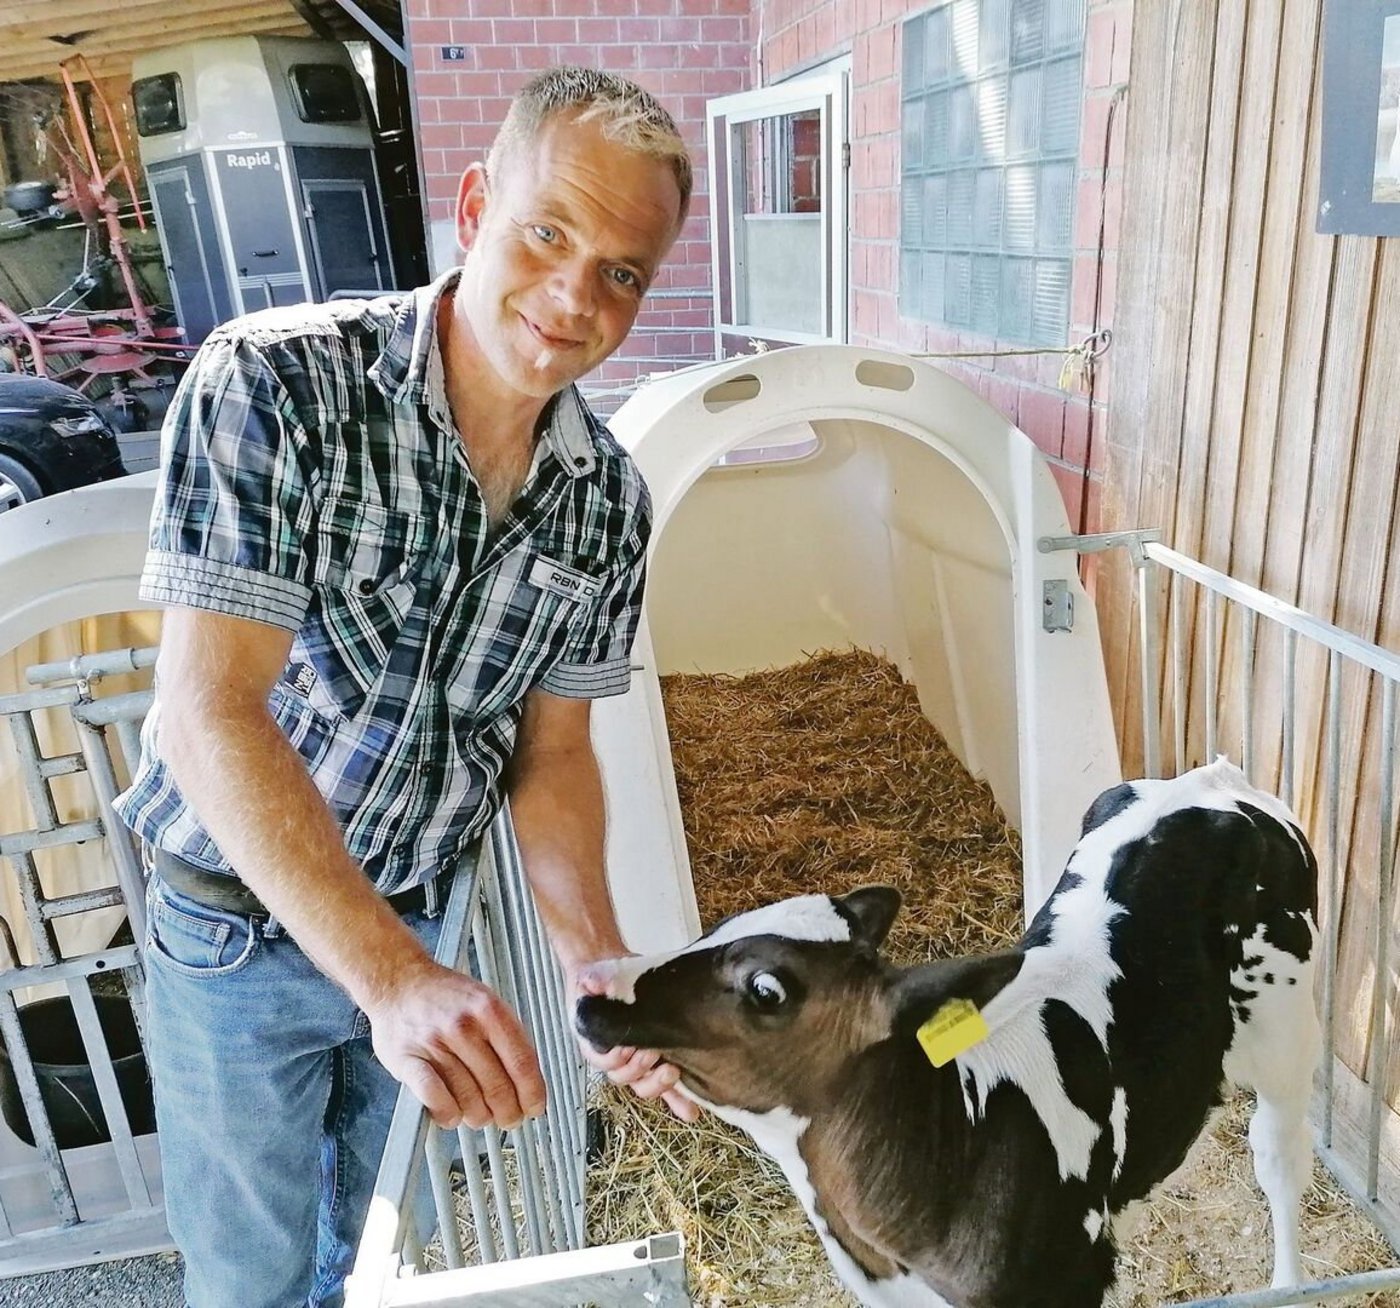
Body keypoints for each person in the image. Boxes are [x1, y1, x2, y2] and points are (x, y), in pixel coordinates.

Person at [114, 66, 699, 1308]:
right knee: (248, 1271)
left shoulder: (605, 498)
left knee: (380, 1250)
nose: (571, 295)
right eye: (549, 232)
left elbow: (549, 757)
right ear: (476, 201)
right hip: (236, 928)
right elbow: (206, 712)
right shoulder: (279, 385)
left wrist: (593, 954)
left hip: (430, 915)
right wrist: (389, 981)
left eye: (621, 273)